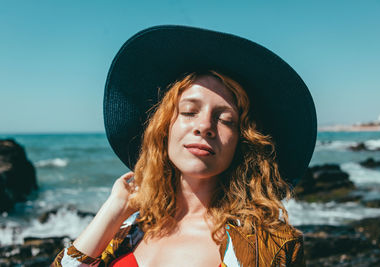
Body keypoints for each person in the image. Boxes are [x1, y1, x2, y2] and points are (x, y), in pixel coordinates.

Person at [52, 25, 316, 266]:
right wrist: (115, 208)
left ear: (242, 142)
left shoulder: (272, 246)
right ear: (164, 127)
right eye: (189, 112)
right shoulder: (127, 229)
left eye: (225, 120)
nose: (205, 126)